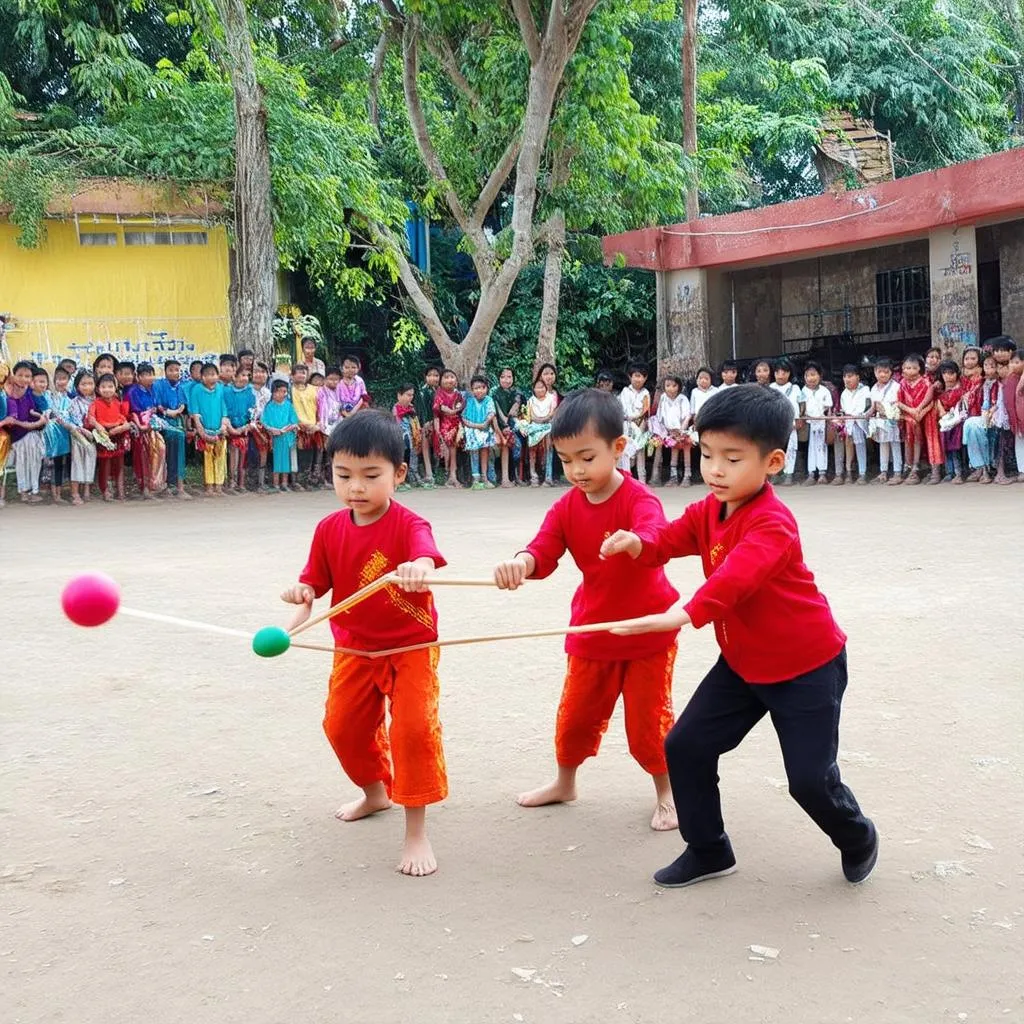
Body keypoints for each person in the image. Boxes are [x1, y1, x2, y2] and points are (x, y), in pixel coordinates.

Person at [600, 384, 877, 888]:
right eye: (707, 455)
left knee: (810, 781)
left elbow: (736, 580)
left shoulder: (774, 523)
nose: (715, 470)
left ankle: (857, 836)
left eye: (732, 459)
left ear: (772, 463)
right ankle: (708, 849)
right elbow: (671, 536)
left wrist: (681, 616)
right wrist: (637, 541)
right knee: (685, 747)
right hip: (744, 663)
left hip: (806, 666)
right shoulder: (710, 509)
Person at [494, 389, 681, 830]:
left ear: (619, 448)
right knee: (575, 715)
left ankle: (668, 792)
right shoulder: (565, 508)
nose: (576, 470)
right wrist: (521, 563)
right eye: (564, 460)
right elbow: (543, 550)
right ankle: (565, 782)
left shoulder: (638, 500)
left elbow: (657, 535)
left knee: (649, 723)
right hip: (592, 630)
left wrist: (637, 542)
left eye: (586, 457)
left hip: (646, 632)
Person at [282, 409, 449, 876]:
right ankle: (376, 793)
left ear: (398, 474)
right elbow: (312, 588)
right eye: (343, 475)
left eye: (371, 475)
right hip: (354, 647)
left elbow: (425, 552)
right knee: (342, 728)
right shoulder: (328, 530)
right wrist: (300, 605)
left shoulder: (410, 523)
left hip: (411, 647)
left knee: (413, 731)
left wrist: (420, 566)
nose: (356, 486)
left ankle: (416, 829)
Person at [87, 372, 131, 501]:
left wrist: (120, 428)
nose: (107, 390)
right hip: (104, 437)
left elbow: (124, 418)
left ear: (115, 387)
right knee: (105, 465)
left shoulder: (118, 403)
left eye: (110, 386)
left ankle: (120, 490)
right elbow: (90, 418)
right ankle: (105, 490)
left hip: (117, 435)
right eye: (103, 387)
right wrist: (99, 426)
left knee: (119, 464)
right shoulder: (95, 402)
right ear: (98, 389)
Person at [127, 363, 167, 499]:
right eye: (146, 375)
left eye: (151, 374)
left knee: (160, 448)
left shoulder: (153, 390)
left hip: (152, 427)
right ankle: (144, 487)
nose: (150, 378)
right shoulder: (132, 392)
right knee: (143, 455)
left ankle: (156, 483)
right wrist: (141, 425)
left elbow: (155, 407)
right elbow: (132, 412)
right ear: (138, 377)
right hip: (138, 427)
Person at [189, 362, 229, 496]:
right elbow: (195, 412)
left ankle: (219, 485)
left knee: (220, 456)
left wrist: (223, 426)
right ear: (202, 377)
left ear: (218, 376)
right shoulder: (196, 390)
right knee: (207, 458)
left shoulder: (221, 389)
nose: (211, 377)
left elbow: (224, 410)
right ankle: (209, 486)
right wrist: (202, 432)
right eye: (207, 375)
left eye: (213, 374)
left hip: (219, 430)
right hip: (205, 430)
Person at [153, 360, 191, 500]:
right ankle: (166, 485)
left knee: (180, 439)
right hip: (162, 421)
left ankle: (180, 486)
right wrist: (168, 412)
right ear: (165, 371)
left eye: (177, 370)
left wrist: (177, 411)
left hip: (177, 421)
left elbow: (182, 405)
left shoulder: (180, 387)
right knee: (166, 447)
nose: (175, 373)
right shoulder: (159, 385)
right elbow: (157, 405)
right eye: (172, 370)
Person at [897, 354, 933, 485]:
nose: (909, 370)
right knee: (908, 440)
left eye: (913, 368)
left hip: (923, 417)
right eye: (906, 368)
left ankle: (916, 466)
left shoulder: (925, 383)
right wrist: (911, 411)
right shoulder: (902, 383)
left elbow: (931, 401)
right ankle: (908, 465)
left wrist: (920, 411)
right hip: (908, 417)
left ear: (920, 369)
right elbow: (898, 402)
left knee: (919, 440)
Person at [964, 354, 1000, 483]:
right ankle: (980, 467)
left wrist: (991, 412)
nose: (989, 369)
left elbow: (999, 402)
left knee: (984, 435)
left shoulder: (1000, 382)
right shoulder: (982, 383)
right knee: (971, 426)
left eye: (992, 366)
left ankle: (986, 469)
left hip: (997, 415)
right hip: (984, 414)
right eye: (986, 366)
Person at [650, 375, 690, 487]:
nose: (671, 389)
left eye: (674, 386)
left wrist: (681, 430)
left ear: (679, 386)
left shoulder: (683, 399)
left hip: (681, 431)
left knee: (684, 447)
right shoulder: (663, 398)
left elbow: (687, 416)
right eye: (668, 386)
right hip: (667, 432)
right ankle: (673, 477)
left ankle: (687, 475)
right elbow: (660, 416)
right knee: (672, 450)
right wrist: (665, 431)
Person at [868, 359, 903, 485]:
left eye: (886, 372)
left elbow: (898, 404)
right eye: (879, 371)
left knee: (895, 444)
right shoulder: (873, 388)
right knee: (883, 445)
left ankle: (898, 472)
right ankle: (883, 472)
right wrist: (865, 416)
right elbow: (873, 407)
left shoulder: (896, 386)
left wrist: (888, 410)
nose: (882, 374)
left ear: (891, 373)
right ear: (875, 372)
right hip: (880, 421)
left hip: (893, 420)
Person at [836, 364, 871, 486]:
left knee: (860, 446)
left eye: (850, 376)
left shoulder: (865, 390)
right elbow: (844, 409)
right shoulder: (844, 393)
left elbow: (866, 407)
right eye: (845, 376)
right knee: (848, 446)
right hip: (849, 424)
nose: (847, 379)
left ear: (858, 377)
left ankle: (862, 473)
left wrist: (854, 416)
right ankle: (849, 472)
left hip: (860, 423)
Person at [261, 379, 300, 490]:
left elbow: (294, 421)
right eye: (279, 391)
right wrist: (272, 429)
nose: (282, 394)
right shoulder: (269, 407)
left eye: (284, 391)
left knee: (287, 461)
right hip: (275, 438)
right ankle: (276, 484)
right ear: (273, 392)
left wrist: (287, 429)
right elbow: (264, 422)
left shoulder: (289, 405)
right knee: (277, 461)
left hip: (287, 437)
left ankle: (284, 483)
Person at [67, 370, 98, 504]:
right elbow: (74, 421)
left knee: (90, 462)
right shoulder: (74, 402)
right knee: (77, 463)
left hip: (92, 437)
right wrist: (83, 431)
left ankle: (86, 490)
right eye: (83, 384)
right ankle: (75, 493)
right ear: (77, 386)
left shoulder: (97, 401)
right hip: (78, 437)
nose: (87, 387)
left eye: (90, 383)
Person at [799, 361, 832, 485]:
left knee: (822, 447)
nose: (811, 378)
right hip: (810, 423)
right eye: (808, 375)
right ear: (804, 377)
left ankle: (822, 474)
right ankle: (811, 474)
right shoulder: (803, 391)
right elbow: (802, 407)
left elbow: (829, 408)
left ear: (820, 376)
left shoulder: (824, 391)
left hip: (822, 422)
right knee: (811, 448)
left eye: (813, 374)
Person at [519, 376, 556, 486]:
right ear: (533, 389)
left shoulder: (551, 398)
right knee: (532, 450)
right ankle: (533, 476)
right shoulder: (531, 401)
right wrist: (538, 420)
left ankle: (548, 476)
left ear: (546, 388)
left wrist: (544, 420)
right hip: (534, 426)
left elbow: (552, 413)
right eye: (537, 387)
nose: (540, 390)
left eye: (542, 387)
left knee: (548, 445)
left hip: (547, 426)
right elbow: (531, 416)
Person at [45, 366, 74, 504]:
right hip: (54, 434)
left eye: (64, 379)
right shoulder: (49, 396)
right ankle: (55, 495)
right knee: (54, 463)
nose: (61, 382)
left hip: (65, 434)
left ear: (69, 380)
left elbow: (72, 416)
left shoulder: (69, 399)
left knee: (63, 463)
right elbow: (50, 413)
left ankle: (61, 491)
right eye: (58, 379)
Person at [769, 358, 802, 484]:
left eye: (784, 372)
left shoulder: (795, 388)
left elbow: (801, 404)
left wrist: (799, 419)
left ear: (789, 374)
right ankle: (775, 473)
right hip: (775, 425)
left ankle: (789, 474)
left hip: (791, 424)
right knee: (775, 449)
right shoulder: (771, 388)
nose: (781, 375)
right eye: (778, 372)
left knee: (791, 449)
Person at [224, 365, 256, 493]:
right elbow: (224, 410)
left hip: (244, 428)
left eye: (247, 376)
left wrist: (247, 426)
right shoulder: (226, 392)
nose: (245, 378)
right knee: (234, 452)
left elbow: (253, 412)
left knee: (244, 454)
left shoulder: (250, 392)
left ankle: (241, 482)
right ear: (235, 377)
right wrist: (231, 428)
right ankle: (232, 480)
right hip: (230, 427)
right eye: (242, 375)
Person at [463, 374, 498, 490]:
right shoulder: (469, 401)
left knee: (484, 452)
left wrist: (485, 424)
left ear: (486, 388)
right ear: (472, 390)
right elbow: (464, 418)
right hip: (472, 430)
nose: (480, 390)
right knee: (474, 452)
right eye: (477, 388)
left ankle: (485, 477)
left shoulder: (489, 400)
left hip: (485, 430)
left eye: (483, 387)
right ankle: (475, 478)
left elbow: (491, 413)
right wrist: (476, 426)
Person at [935, 360, 966, 484]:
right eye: (945, 373)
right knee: (946, 449)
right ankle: (949, 472)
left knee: (955, 449)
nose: (948, 376)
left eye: (951, 373)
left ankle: (959, 473)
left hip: (957, 425)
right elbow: (939, 409)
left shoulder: (961, 391)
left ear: (957, 374)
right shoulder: (940, 393)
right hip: (945, 424)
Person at [619, 364, 652, 483]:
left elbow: (645, 410)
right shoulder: (625, 391)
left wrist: (640, 426)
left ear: (645, 378)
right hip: (626, 426)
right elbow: (624, 409)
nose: (638, 379)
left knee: (640, 451)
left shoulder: (646, 393)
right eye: (635, 376)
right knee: (626, 452)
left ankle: (642, 480)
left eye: (641, 376)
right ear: (630, 377)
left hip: (641, 425)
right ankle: (626, 478)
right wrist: (631, 420)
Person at [433, 369, 465, 489]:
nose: (449, 380)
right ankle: (450, 475)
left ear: (456, 381)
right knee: (448, 448)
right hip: (443, 425)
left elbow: (461, 406)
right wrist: (452, 411)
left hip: (457, 424)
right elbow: (439, 407)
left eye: (452, 377)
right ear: (441, 381)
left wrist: (455, 411)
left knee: (454, 449)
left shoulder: (459, 395)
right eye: (446, 377)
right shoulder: (439, 393)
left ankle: (453, 475)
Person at [291, 363, 320, 490]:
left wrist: (318, 424)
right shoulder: (289, 390)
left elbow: (320, 407)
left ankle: (309, 480)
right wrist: (299, 423)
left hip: (313, 427)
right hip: (298, 427)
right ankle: (296, 481)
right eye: (298, 372)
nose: (301, 375)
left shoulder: (315, 389)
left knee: (312, 453)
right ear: (292, 376)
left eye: (303, 372)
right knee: (297, 454)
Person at [492, 367, 522, 487]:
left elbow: (515, 412)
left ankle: (515, 476)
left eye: (509, 377)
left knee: (518, 447)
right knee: (506, 441)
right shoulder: (495, 394)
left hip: (512, 426)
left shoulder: (516, 393)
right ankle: (503, 478)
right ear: (499, 378)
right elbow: (499, 414)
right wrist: (504, 426)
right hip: (497, 427)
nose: (506, 380)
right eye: (503, 377)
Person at [249, 362, 274, 492]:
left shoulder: (268, 393)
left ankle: (261, 481)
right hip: (249, 424)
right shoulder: (247, 390)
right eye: (256, 371)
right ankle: (249, 480)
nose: (259, 374)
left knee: (264, 448)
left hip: (264, 426)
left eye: (263, 372)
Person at [415, 366, 441, 487]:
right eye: (430, 375)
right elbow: (422, 409)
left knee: (437, 447)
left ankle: (436, 470)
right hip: (426, 423)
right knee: (425, 445)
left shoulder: (440, 391)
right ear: (425, 377)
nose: (433, 378)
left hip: (439, 423)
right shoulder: (422, 391)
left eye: (436, 375)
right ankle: (428, 473)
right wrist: (426, 422)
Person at [1002, 348, 1024, 483]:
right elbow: (1009, 402)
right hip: (1018, 417)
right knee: (1020, 445)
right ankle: (1022, 470)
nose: (1014, 365)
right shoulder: (1011, 379)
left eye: (1018, 362)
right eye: (1012, 362)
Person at [393, 383, 421, 488]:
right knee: (401, 457)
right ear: (399, 395)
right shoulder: (396, 409)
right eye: (408, 395)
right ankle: (399, 480)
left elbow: (415, 421)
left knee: (413, 456)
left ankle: (413, 476)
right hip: (401, 438)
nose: (410, 397)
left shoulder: (412, 408)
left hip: (412, 437)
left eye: (412, 395)